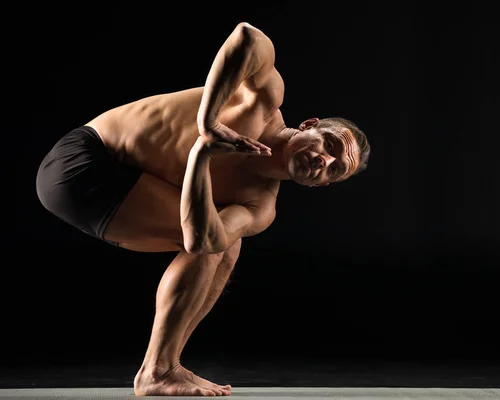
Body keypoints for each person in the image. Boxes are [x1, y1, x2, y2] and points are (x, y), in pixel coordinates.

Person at [36, 22, 370, 396]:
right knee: (216, 241)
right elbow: (247, 37)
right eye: (329, 145)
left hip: (113, 191)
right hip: (84, 161)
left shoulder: (260, 204)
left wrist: (201, 154)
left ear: (321, 185)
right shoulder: (259, 102)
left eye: (335, 169)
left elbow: (200, 241)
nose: (324, 160)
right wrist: (209, 122)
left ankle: (162, 368)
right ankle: (159, 371)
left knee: (224, 243)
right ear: (309, 125)